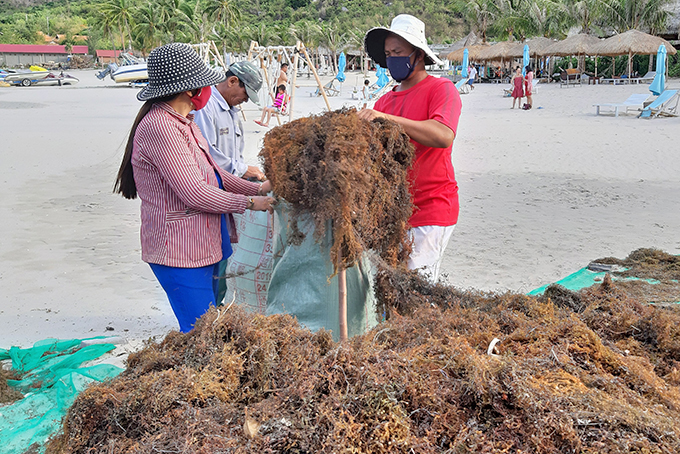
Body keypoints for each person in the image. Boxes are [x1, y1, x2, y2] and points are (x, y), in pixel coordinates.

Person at [114, 43, 275, 333]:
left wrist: (259, 189)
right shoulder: (160, 127)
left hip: (204, 242)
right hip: (179, 251)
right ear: (191, 90)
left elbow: (214, 175)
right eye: (205, 83)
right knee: (199, 334)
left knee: (210, 327)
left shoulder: (185, 122)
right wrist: (250, 204)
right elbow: (195, 192)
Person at [359, 14, 462, 282]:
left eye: (398, 52)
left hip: (431, 208)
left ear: (417, 55)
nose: (392, 58)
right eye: (388, 53)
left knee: (416, 289)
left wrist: (389, 120)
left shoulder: (441, 89)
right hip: (392, 213)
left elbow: (443, 135)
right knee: (386, 286)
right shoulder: (384, 102)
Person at [192, 60, 266, 305]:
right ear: (233, 81)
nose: (245, 100)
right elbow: (208, 156)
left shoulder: (231, 109)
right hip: (210, 192)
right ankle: (208, 307)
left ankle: (217, 304)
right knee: (211, 254)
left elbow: (234, 154)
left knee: (224, 250)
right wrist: (245, 172)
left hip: (228, 189)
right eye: (245, 93)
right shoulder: (207, 108)